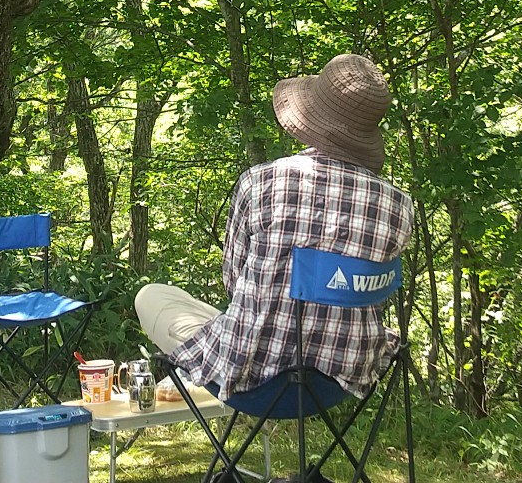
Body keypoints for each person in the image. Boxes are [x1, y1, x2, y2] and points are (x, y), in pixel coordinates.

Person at [135, 53, 414, 399]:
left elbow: (234, 283)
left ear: (312, 118)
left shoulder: (261, 181)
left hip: (250, 375)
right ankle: (203, 371)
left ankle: (201, 375)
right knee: (233, 318)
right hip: (338, 382)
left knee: (152, 296)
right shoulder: (398, 205)